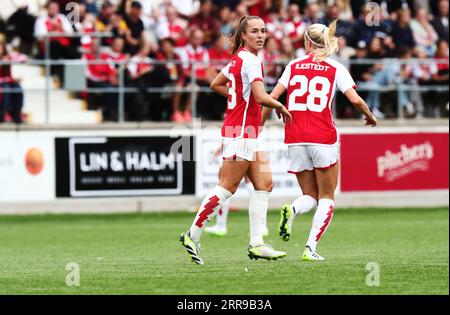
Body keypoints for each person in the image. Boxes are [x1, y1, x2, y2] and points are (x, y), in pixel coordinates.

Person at [179, 16, 292, 265]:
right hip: (241, 132)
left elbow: (216, 83)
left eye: (263, 31)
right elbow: (262, 97)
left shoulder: (239, 58)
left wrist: (241, 97)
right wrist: (280, 106)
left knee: (264, 183)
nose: (261, 35)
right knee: (227, 187)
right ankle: (192, 234)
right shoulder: (250, 61)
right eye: (255, 31)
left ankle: (257, 244)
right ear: (243, 35)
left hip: (248, 131)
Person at [262, 21, 377, 261]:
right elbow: (355, 100)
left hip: (295, 136)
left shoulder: (292, 65)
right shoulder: (336, 68)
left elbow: (270, 97)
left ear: (307, 42)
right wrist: (369, 115)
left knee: (309, 196)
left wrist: (259, 125)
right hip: (323, 136)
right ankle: (310, 248)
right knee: (326, 197)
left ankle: (292, 209)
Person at [204, 145, 269, 237]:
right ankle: (262, 226)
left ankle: (221, 226)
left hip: (235, 146)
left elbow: (231, 132)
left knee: (223, 185)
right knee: (252, 183)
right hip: (252, 145)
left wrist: (222, 147)